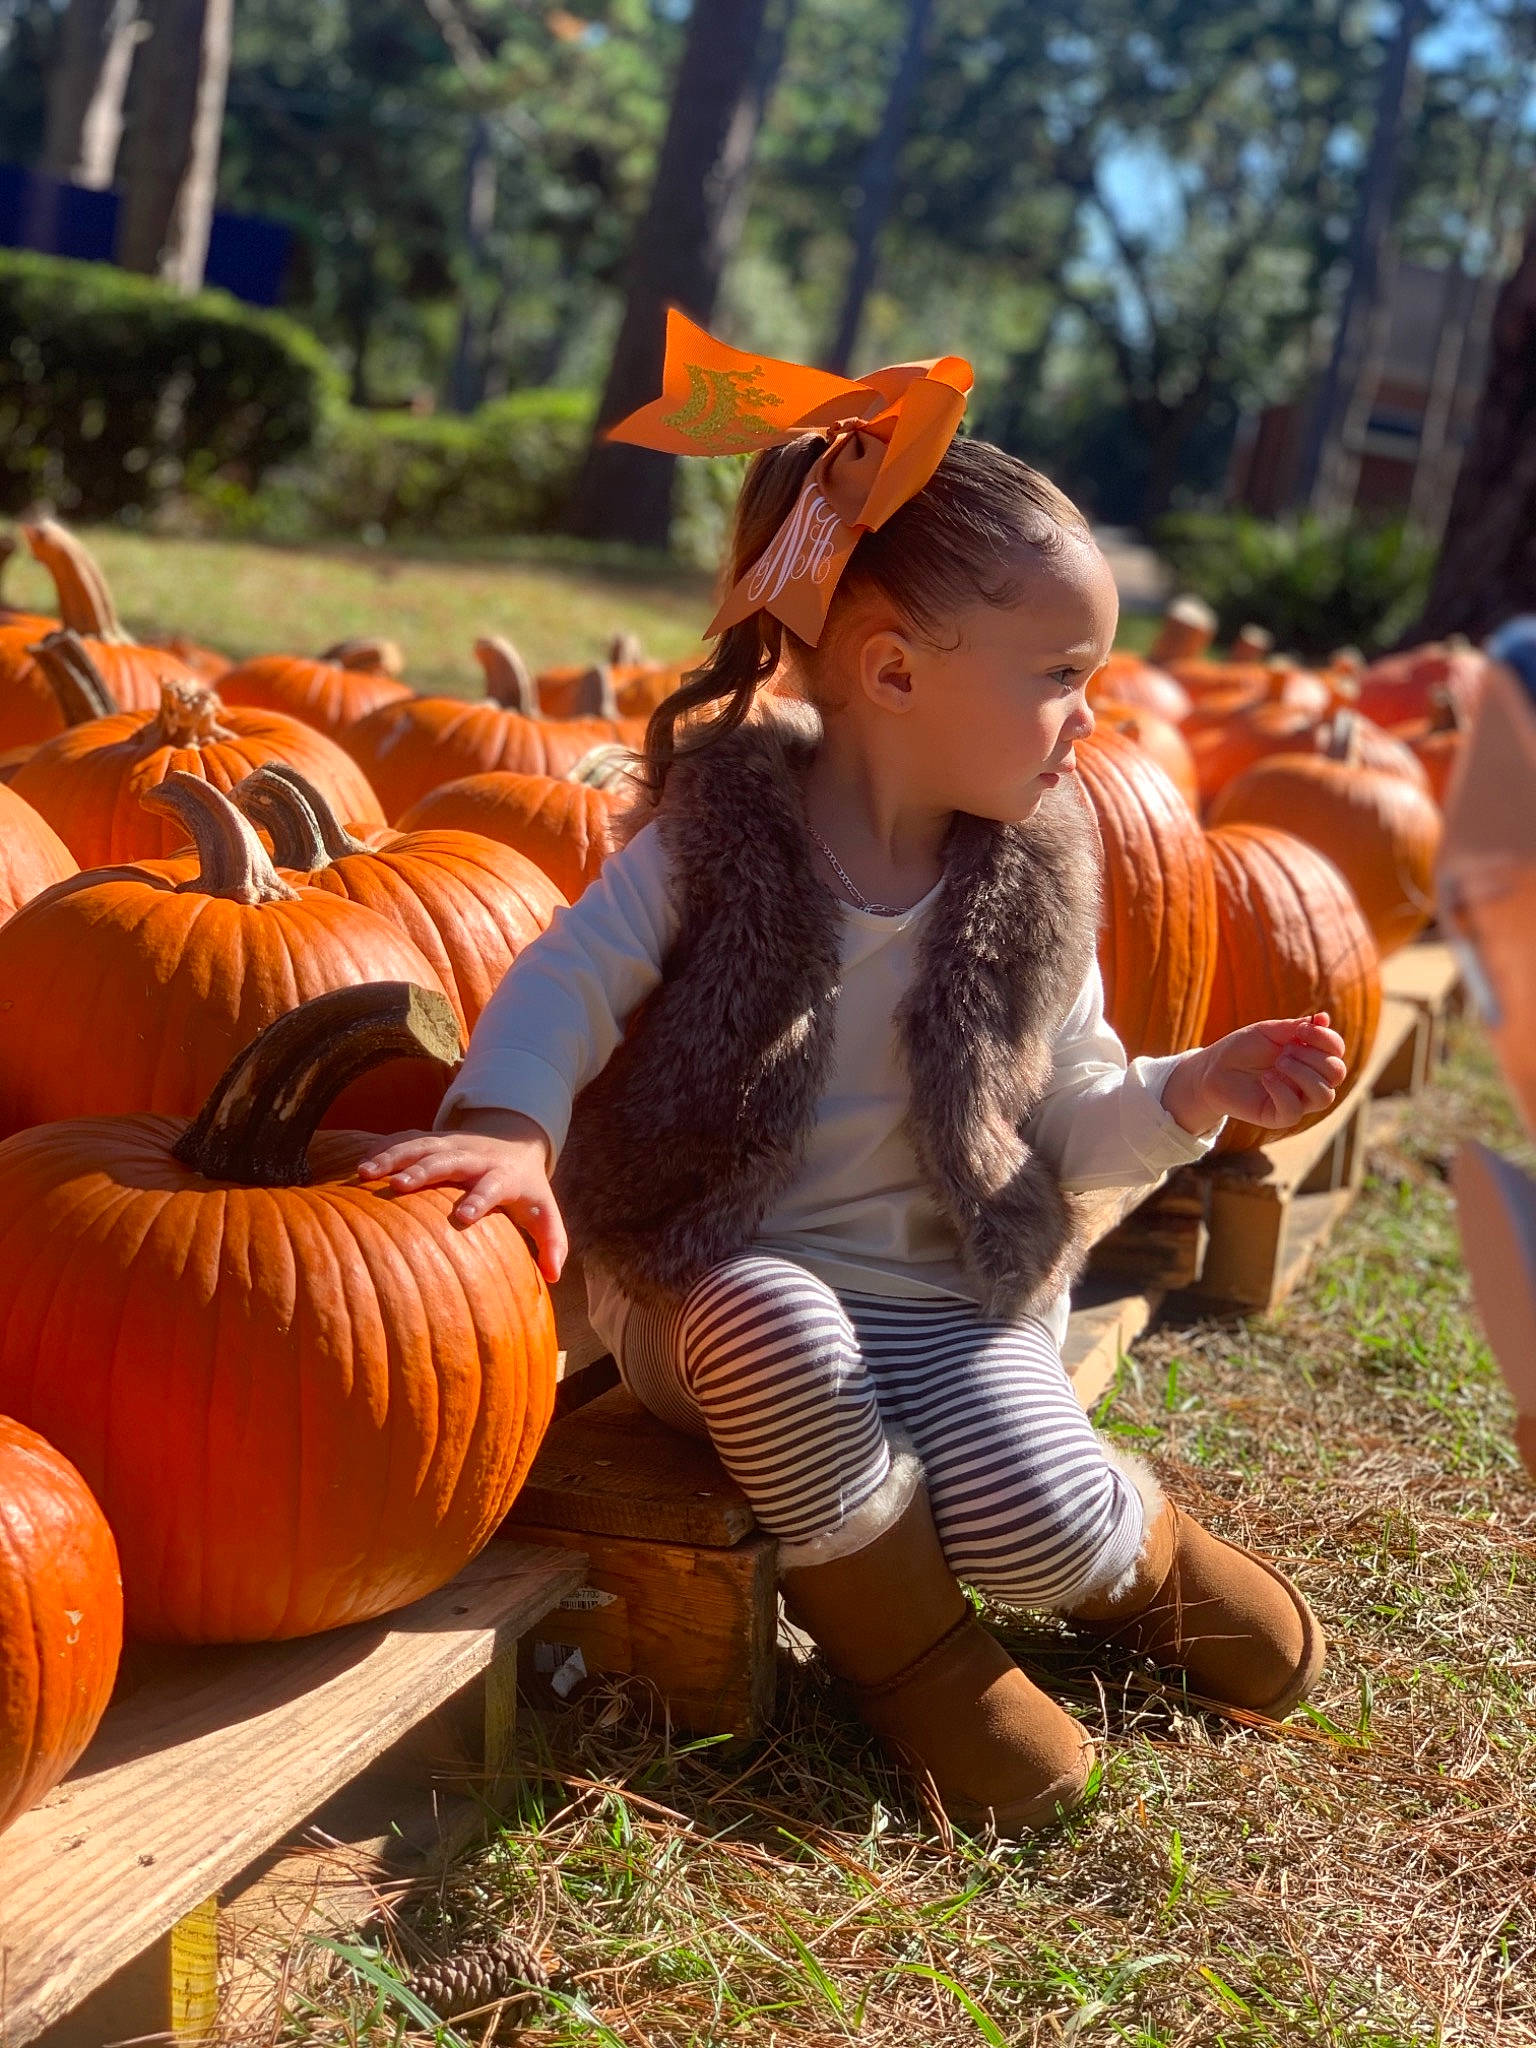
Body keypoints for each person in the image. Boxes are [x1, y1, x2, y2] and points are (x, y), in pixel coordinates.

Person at [357, 315, 1345, 1836]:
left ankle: (1142, 1559)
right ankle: (920, 1666)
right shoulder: (719, 842)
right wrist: (505, 1125)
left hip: (949, 1293)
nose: (1092, 720)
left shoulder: (1028, 887)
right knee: (775, 1323)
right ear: (890, 669)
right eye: (1062, 674)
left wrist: (1195, 1090)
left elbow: (1069, 1114)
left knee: (1029, 1515)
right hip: (717, 1280)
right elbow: (565, 980)